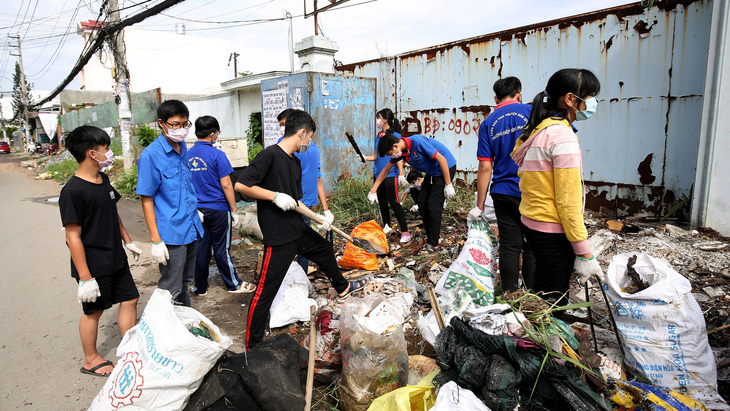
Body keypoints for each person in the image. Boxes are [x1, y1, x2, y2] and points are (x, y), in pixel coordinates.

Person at [235, 109, 365, 350]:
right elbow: (242, 185)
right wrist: (273, 196)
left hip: (298, 228)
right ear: (302, 133)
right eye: (310, 137)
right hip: (280, 236)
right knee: (266, 290)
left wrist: (317, 216)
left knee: (324, 248)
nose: (309, 143)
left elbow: (296, 200)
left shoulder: (294, 162)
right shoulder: (270, 156)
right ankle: (252, 346)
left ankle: (343, 288)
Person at [510, 68, 605, 304]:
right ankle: (543, 341)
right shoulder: (562, 137)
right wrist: (584, 253)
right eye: (590, 95)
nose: (592, 102)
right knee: (552, 303)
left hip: (533, 222)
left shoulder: (541, 130)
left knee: (543, 291)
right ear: (570, 99)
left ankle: (535, 336)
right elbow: (568, 201)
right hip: (551, 229)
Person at [59, 125, 141, 376]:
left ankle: (131, 349)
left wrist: (127, 240)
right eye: (106, 149)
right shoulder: (72, 191)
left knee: (130, 298)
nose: (110, 154)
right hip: (93, 262)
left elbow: (112, 212)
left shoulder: (102, 179)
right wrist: (85, 279)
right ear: (92, 154)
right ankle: (91, 359)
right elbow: (72, 237)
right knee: (94, 311)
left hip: (115, 255)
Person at [468, 76, 536, 292]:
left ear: (495, 98)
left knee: (510, 246)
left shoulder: (488, 123)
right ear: (519, 94)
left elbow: (485, 167)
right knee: (532, 246)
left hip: (502, 191)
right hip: (532, 189)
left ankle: (510, 294)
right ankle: (531, 295)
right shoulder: (532, 112)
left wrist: (480, 205)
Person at [136, 99, 203, 307]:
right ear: (161, 123)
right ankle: (162, 331)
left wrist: (195, 210)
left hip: (191, 226)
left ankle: (182, 323)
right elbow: (146, 199)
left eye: (185, 124)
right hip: (171, 232)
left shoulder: (182, 147)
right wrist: (155, 240)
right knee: (170, 287)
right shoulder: (150, 156)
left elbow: (184, 185)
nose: (181, 129)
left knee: (186, 282)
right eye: (175, 124)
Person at [188, 115, 255, 295]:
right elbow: (227, 185)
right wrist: (234, 210)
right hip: (218, 209)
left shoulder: (186, 156)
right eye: (217, 133)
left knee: (201, 248)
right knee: (221, 248)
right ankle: (233, 284)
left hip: (197, 210)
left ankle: (199, 287)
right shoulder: (217, 155)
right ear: (213, 134)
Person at [370, 134, 457, 253]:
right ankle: (433, 236)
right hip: (432, 172)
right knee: (422, 202)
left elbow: (442, 159)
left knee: (433, 205)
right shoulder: (401, 151)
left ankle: (433, 243)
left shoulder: (417, 142)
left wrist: (448, 184)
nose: (392, 156)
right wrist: (373, 190)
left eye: (390, 153)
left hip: (445, 167)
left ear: (395, 146)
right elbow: (385, 170)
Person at [276, 108, 335, 273]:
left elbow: (317, 179)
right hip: (292, 202)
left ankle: (295, 277)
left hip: (300, 204)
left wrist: (326, 209)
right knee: (299, 242)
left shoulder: (302, 148)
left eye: (284, 124)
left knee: (297, 242)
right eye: (281, 125)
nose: (283, 128)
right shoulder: (300, 147)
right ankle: (296, 275)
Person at [364, 109, 411, 243]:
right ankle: (386, 226)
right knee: (382, 202)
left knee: (394, 201)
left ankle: (405, 230)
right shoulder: (379, 136)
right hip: (378, 173)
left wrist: (401, 173)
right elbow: (377, 155)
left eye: (378, 117)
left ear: (385, 119)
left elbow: (399, 154)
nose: (377, 120)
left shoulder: (395, 135)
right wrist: (365, 157)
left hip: (391, 174)